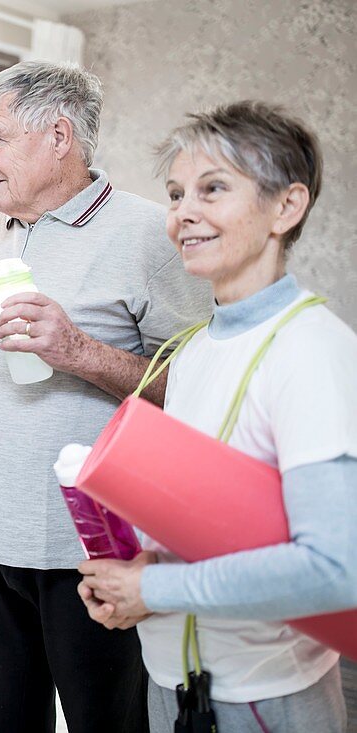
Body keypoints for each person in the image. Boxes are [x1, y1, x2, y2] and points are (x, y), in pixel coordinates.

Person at [0, 60, 213, 733]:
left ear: (60, 137)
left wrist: (79, 351)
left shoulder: (149, 234)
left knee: (108, 721)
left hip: (90, 550)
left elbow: (197, 389)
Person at [78, 101, 356, 733]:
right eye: (176, 194)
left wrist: (154, 591)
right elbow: (203, 518)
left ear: (287, 207)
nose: (183, 214)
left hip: (265, 695)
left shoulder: (313, 352)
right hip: (174, 685)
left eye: (213, 189)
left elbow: (334, 571)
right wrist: (136, 575)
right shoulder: (196, 347)